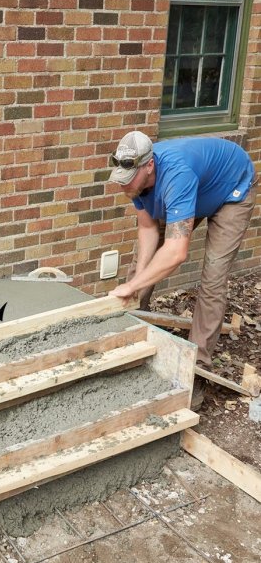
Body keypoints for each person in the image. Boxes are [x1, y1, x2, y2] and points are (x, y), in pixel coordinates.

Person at [108, 131, 257, 405]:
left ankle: (197, 368)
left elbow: (176, 252)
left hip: (230, 191)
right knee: (139, 270)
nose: (124, 186)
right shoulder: (134, 181)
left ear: (149, 166)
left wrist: (132, 286)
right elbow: (148, 228)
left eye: (129, 181)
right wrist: (136, 283)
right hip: (196, 191)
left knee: (213, 277)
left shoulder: (178, 175)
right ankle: (134, 331)